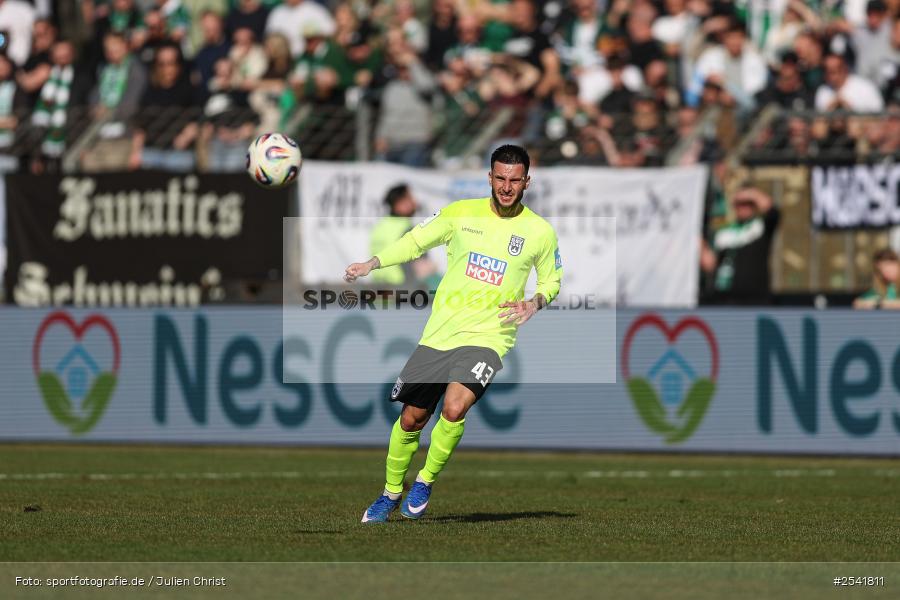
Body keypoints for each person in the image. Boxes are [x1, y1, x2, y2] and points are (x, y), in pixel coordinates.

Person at [344, 145, 562, 523]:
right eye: (500, 178)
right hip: (441, 334)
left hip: (490, 336)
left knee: (455, 407)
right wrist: (372, 263)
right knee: (412, 419)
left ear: (527, 181)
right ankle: (390, 493)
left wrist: (536, 301)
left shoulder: (539, 232)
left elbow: (553, 279)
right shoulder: (461, 214)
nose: (506, 187)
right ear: (489, 178)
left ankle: (425, 481)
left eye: (514, 180)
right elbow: (415, 241)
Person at [700, 186, 780, 305]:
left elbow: (773, 211)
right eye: (740, 204)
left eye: (748, 203)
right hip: (725, 300)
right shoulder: (724, 233)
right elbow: (711, 264)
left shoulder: (760, 227)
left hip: (756, 300)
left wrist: (750, 193)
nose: (744, 207)